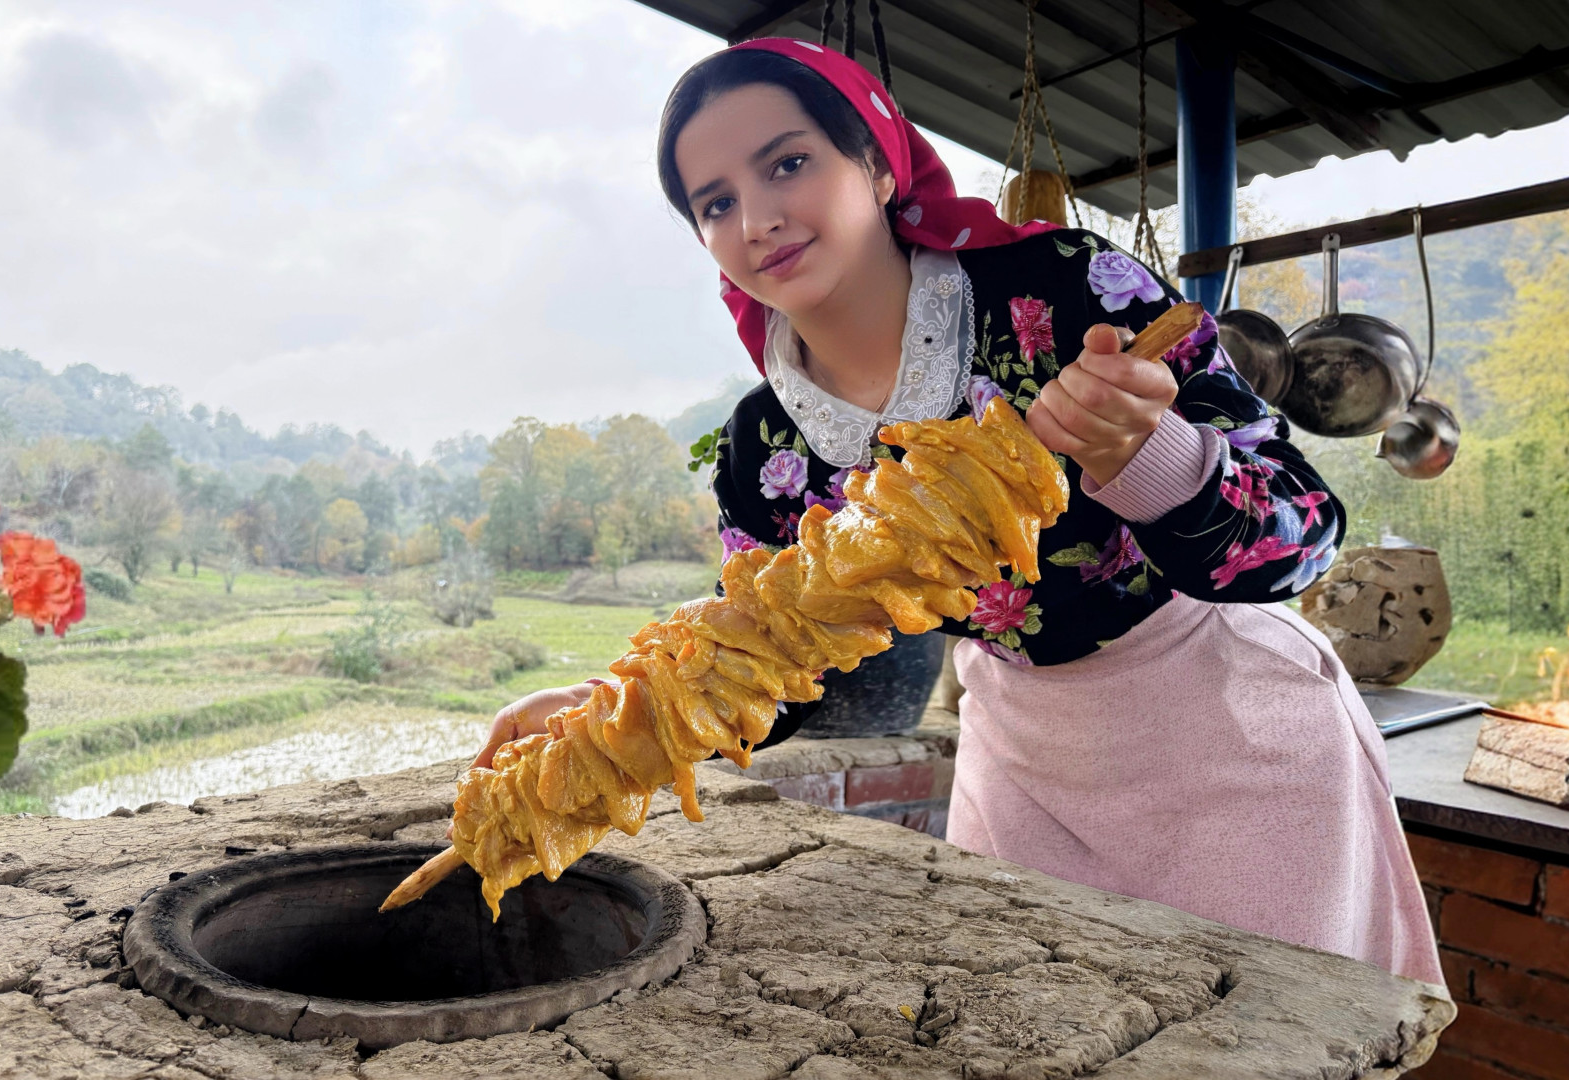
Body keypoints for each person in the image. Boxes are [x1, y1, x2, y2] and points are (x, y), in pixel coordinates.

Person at [472, 38, 1441, 986]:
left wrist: (1154, 458)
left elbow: (1303, 529)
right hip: (1024, 767)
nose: (757, 217)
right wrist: (606, 715)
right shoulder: (766, 448)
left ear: (879, 165)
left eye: (788, 163)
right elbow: (769, 669)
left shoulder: (1066, 294)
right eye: (715, 202)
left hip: (1230, 736)